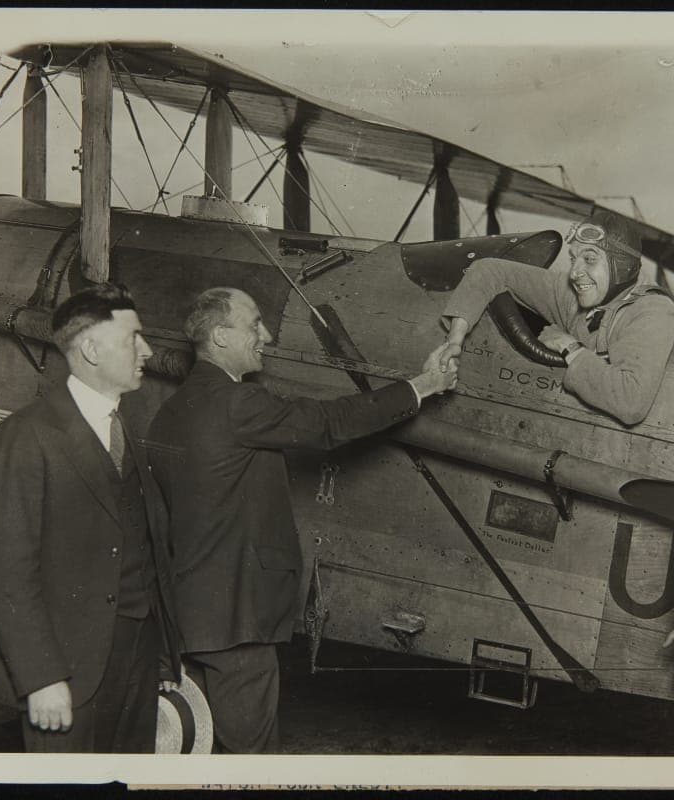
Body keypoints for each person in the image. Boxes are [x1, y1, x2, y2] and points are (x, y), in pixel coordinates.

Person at [146, 287, 457, 753]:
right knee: (253, 763)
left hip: (193, 617)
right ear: (221, 336)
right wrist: (423, 385)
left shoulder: (168, 413)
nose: (266, 335)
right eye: (254, 324)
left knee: (204, 752)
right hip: (238, 619)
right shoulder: (235, 404)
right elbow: (327, 423)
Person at [0, 283, 182, 753]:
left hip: (138, 657)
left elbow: (143, 542)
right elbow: (6, 573)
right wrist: (41, 677)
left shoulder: (125, 426)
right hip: (66, 671)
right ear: (91, 349)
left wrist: (163, 657)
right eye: (133, 337)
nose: (147, 352)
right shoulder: (27, 435)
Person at [438, 209, 674, 425]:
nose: (575, 273)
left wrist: (569, 346)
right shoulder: (571, 294)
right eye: (574, 259)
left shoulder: (654, 311)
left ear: (623, 266)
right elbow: (489, 269)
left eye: (589, 259)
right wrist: (454, 342)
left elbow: (631, 402)